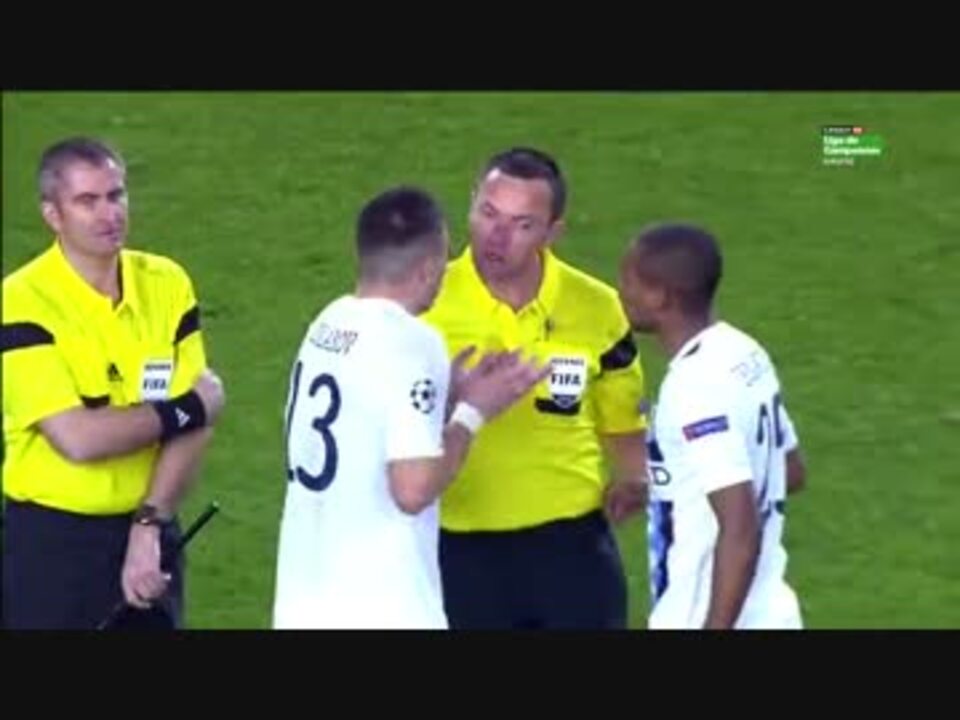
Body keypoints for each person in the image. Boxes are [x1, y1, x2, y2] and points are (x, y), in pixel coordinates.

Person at [271, 186, 549, 630]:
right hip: (383, 609)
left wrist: (445, 398)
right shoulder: (413, 342)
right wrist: (473, 412)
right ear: (427, 269)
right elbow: (413, 490)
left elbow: (364, 422)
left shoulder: (328, 323)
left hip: (303, 606)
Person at [2, 137, 226, 630]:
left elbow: (197, 427)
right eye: (88, 201)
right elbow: (78, 439)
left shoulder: (167, 283)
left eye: (116, 195)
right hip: (55, 548)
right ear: (53, 215)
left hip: (151, 530)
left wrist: (149, 524)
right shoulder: (21, 300)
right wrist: (184, 409)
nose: (109, 213)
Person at [422, 147, 649, 629]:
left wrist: (635, 477)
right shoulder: (426, 303)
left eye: (522, 224)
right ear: (471, 203)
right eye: (488, 213)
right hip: (459, 548)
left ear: (552, 232)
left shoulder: (598, 307)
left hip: (572, 550)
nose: (497, 236)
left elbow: (623, 415)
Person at [617, 222, 807, 630]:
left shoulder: (693, 387)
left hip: (708, 615)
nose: (621, 292)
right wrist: (667, 489)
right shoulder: (744, 352)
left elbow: (740, 527)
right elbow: (789, 471)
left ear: (660, 296)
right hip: (773, 610)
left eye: (629, 280)